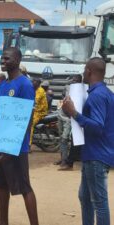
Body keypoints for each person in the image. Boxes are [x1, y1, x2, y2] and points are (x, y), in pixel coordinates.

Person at [0, 47, 38, 225]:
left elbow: (25, 120)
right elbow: (1, 119)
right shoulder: (2, 85)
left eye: (7, 58)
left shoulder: (25, 85)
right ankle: (2, 221)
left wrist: (11, 148)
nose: (3, 61)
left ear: (18, 60)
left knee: (24, 188)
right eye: (2, 58)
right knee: (1, 185)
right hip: (0, 144)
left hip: (16, 147)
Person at [62, 58, 114, 225]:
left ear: (89, 71)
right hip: (95, 153)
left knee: (99, 201)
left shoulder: (97, 96)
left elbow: (98, 127)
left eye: (85, 70)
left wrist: (74, 113)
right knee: (85, 197)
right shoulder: (105, 93)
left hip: (96, 155)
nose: (83, 73)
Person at [56, 74, 82, 170]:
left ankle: (66, 161)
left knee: (65, 138)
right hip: (61, 115)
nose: (73, 81)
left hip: (70, 118)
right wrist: (59, 109)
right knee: (61, 137)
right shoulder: (67, 87)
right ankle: (63, 158)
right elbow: (62, 98)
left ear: (80, 82)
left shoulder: (81, 91)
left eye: (75, 80)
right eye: (72, 80)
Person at [30, 78, 48, 146]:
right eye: (33, 82)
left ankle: (29, 144)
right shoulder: (34, 89)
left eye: (35, 82)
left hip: (40, 112)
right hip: (35, 110)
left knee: (30, 124)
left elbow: (35, 101)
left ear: (38, 83)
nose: (33, 83)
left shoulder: (40, 91)